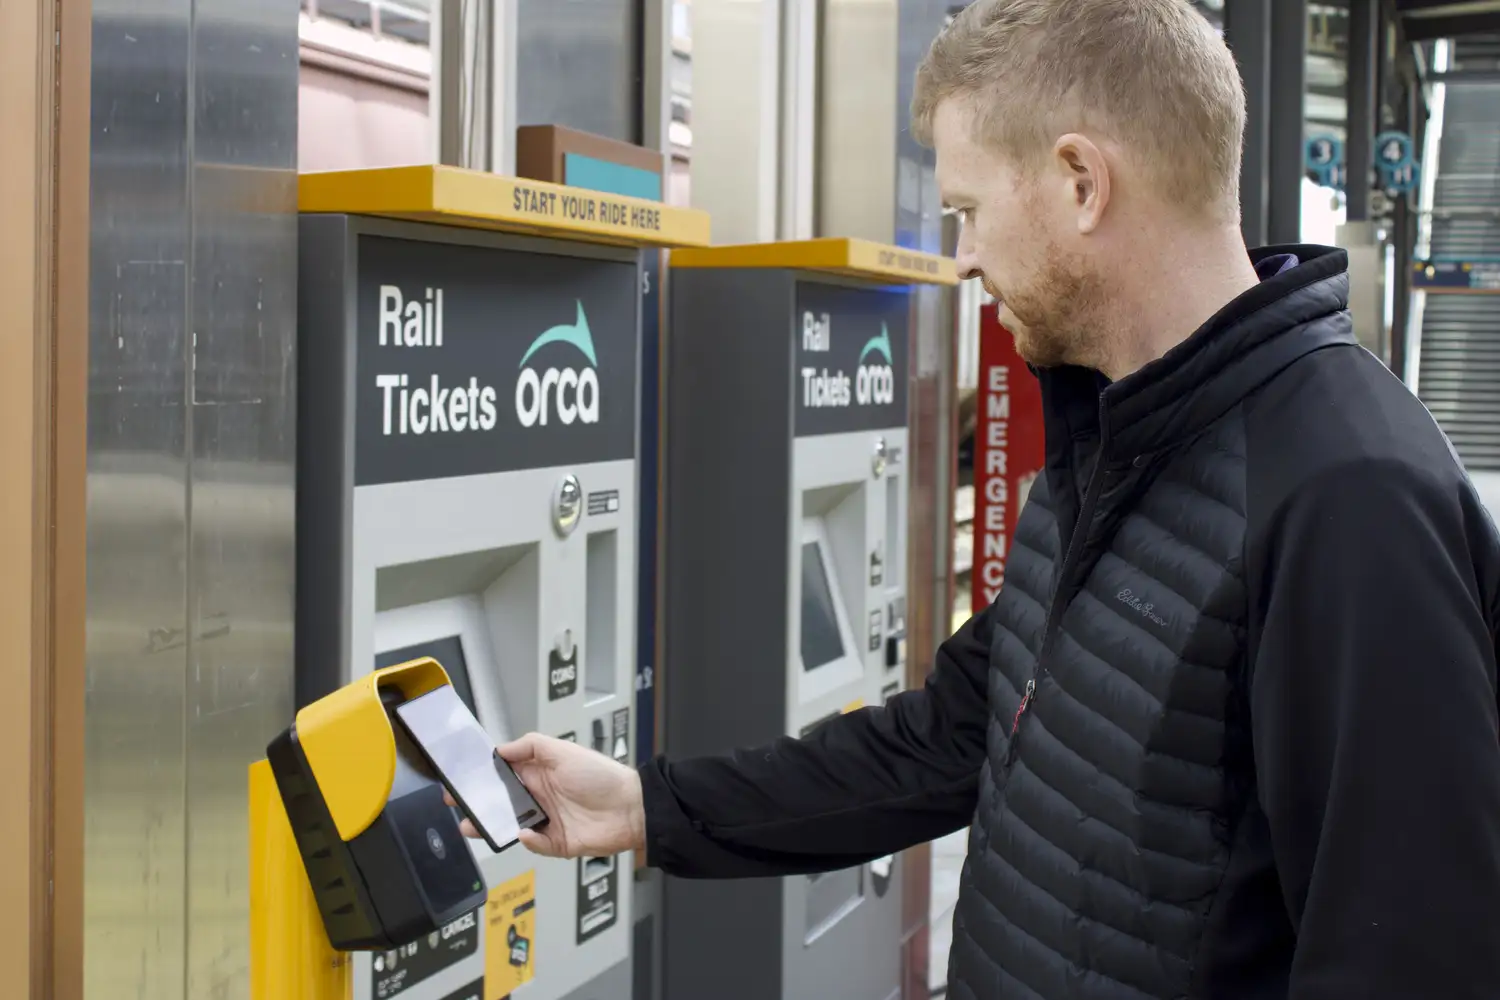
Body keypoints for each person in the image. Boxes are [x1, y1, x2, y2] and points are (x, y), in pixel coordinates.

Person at [457, 0, 1500, 995]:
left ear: (1081, 182)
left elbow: (1407, 957)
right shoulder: (1111, 436)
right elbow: (957, 734)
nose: (961, 259)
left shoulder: (1352, 498)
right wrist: (650, 805)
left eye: (967, 209)